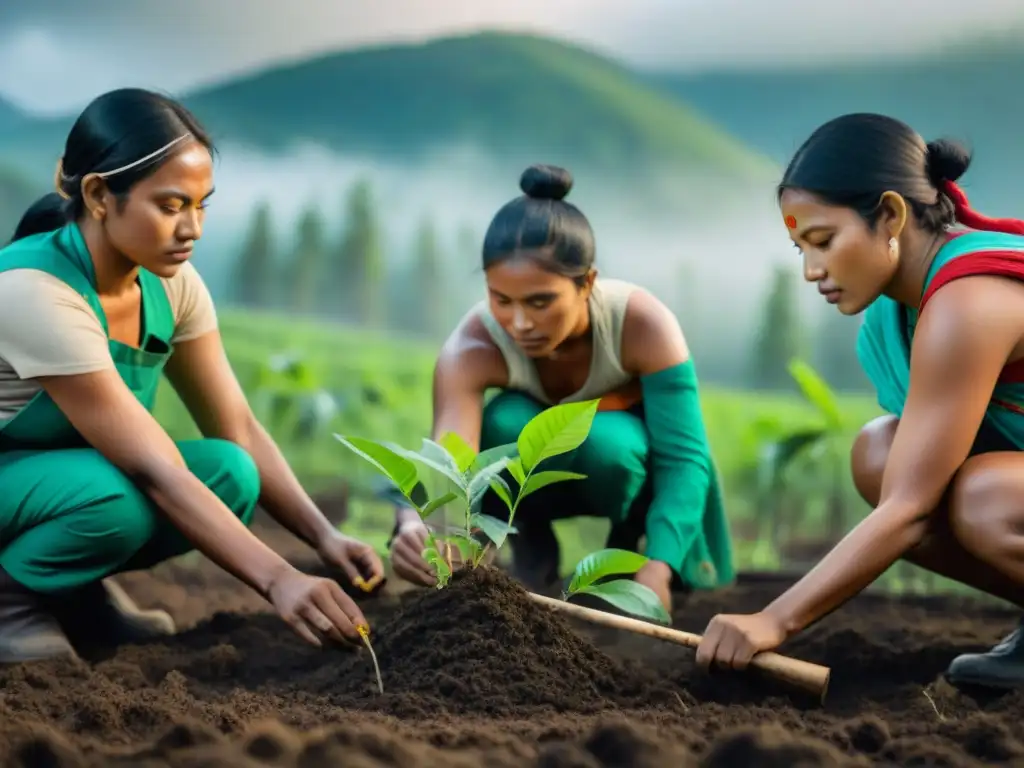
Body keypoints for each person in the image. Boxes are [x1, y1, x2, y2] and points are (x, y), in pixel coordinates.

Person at [0, 87, 384, 664]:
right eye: (172, 205)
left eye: (203, 204)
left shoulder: (170, 284)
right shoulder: (36, 293)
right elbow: (155, 471)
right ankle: (12, 602)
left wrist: (323, 539)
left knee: (231, 472)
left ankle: (75, 595)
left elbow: (239, 430)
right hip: (26, 480)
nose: (194, 228)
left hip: (53, 484)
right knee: (118, 499)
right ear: (100, 195)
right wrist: (279, 580)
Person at [694, 112, 1024, 689]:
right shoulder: (900, 308)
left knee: (984, 499)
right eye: (799, 247)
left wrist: (773, 621)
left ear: (891, 216)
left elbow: (910, 507)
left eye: (822, 241)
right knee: (879, 450)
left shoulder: (967, 302)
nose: (810, 270)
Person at [386, 164, 735, 612]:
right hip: (529, 472)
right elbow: (452, 463)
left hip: (623, 467)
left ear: (587, 283)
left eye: (540, 301)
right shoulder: (472, 346)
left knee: (613, 447)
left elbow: (686, 459)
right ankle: (526, 531)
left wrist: (658, 567)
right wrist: (420, 531)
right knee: (506, 423)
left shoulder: (642, 325)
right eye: (501, 299)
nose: (519, 323)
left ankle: (630, 544)